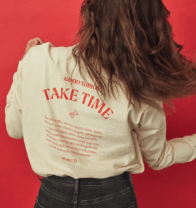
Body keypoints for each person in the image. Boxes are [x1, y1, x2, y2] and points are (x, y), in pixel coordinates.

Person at [5, 0, 196, 207]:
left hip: (52, 196)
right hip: (113, 197)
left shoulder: (38, 59)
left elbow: (14, 129)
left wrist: (24, 67)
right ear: (150, 27)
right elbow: (159, 158)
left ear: (90, 16)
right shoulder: (141, 87)